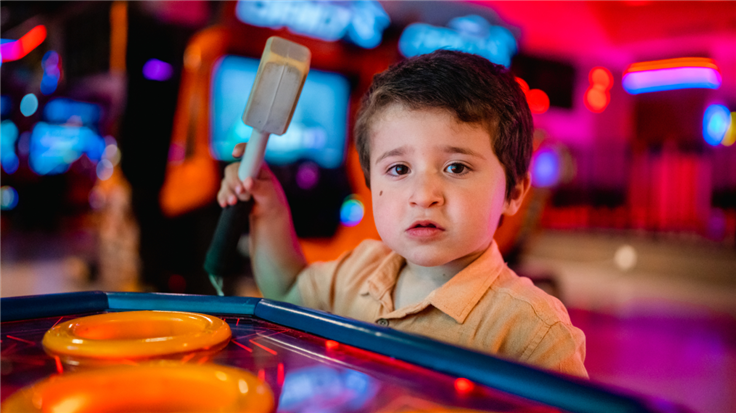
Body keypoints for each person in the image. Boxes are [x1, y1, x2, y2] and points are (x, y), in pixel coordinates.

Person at [217, 50, 587, 377]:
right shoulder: (360, 269)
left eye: (456, 168)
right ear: (370, 183)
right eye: (399, 169)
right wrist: (269, 210)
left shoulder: (533, 332)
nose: (423, 196)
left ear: (514, 192)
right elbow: (287, 291)